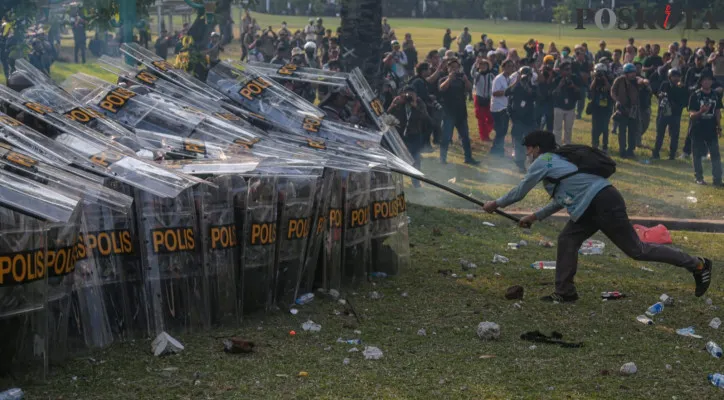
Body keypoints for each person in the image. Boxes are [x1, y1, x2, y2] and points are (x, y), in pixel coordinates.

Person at [482, 130, 713, 303]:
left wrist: (496, 203)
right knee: (567, 240)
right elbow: (564, 198)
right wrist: (535, 216)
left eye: (529, 148)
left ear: (538, 148)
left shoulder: (545, 161)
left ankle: (698, 265)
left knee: (637, 250)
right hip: (589, 206)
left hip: (603, 202)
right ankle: (565, 293)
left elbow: (521, 190)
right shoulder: (557, 162)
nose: (528, 153)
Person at [438, 57, 479, 165]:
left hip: (461, 113)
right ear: (448, 69)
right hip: (448, 113)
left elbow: (470, 88)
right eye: (452, 67)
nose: (454, 69)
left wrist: (465, 80)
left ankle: (468, 158)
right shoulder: (443, 79)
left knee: (465, 137)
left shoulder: (462, 79)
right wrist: (449, 79)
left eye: (456, 67)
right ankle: (442, 159)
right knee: (446, 138)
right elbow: (441, 88)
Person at [388, 86, 431, 188]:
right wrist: (393, 105)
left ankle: (416, 183)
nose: (409, 97)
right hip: (400, 135)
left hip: (415, 135)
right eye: (407, 94)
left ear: (416, 95)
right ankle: (394, 183)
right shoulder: (398, 101)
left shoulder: (419, 103)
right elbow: (387, 116)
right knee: (395, 159)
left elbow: (426, 119)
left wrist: (415, 106)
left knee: (415, 159)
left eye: (412, 94)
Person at [688, 72, 723, 186]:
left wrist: (719, 126)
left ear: (712, 81)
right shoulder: (695, 95)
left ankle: (717, 179)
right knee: (697, 154)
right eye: (704, 80)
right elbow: (691, 115)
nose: (707, 82)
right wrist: (701, 112)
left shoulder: (715, 95)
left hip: (711, 128)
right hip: (698, 128)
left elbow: (717, 111)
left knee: (715, 154)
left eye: (709, 80)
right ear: (701, 82)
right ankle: (698, 178)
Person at [505, 66, 537, 173]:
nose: (525, 77)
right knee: (518, 142)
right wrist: (517, 82)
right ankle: (520, 165)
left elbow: (536, 96)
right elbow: (506, 92)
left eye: (527, 75)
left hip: (529, 120)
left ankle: (532, 163)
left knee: (531, 142)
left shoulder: (533, 86)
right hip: (517, 119)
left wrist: (528, 87)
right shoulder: (516, 86)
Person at [653, 69, 688, 160]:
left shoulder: (682, 87)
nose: (676, 78)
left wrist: (676, 105)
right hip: (664, 113)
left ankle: (672, 155)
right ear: (669, 77)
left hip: (676, 114)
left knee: (674, 135)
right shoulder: (665, 84)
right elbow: (659, 95)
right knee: (660, 134)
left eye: (678, 76)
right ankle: (656, 153)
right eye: (674, 76)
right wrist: (663, 97)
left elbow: (685, 101)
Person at [611, 63, 644, 158]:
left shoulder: (637, 80)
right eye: (630, 72)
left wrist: (644, 81)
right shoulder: (619, 80)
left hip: (633, 110)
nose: (633, 74)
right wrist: (617, 101)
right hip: (622, 109)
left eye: (634, 72)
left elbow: (642, 81)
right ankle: (622, 150)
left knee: (632, 131)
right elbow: (612, 91)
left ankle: (630, 150)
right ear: (625, 73)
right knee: (622, 131)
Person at [551, 61, 580, 145]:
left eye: (570, 69)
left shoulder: (575, 78)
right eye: (566, 69)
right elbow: (553, 94)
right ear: (561, 71)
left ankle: (567, 145)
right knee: (557, 128)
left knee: (568, 129)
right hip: (559, 107)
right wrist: (559, 85)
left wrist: (573, 86)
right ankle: (557, 145)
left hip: (570, 107)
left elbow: (580, 92)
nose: (569, 71)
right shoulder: (556, 79)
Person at [490, 59, 514, 156]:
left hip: (505, 107)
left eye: (512, 66)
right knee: (500, 130)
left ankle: (498, 149)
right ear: (503, 67)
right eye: (508, 66)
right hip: (498, 108)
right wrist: (507, 91)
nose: (510, 68)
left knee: (503, 130)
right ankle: (496, 150)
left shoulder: (509, 78)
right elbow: (495, 93)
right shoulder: (498, 78)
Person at [588, 63, 613, 152]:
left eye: (601, 72)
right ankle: (594, 144)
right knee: (595, 127)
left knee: (605, 127)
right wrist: (595, 79)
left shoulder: (609, 78)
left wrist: (605, 79)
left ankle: (605, 145)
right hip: (596, 107)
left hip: (606, 108)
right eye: (598, 72)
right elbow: (591, 89)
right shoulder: (593, 79)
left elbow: (610, 89)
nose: (599, 74)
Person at [472, 57, 494, 142]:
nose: (483, 66)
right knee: (481, 118)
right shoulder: (477, 75)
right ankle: (484, 136)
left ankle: (486, 132)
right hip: (479, 98)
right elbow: (472, 72)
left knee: (491, 118)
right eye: (481, 64)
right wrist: (475, 63)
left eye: (485, 64)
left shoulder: (491, 75)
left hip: (489, 99)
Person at [536, 57, 556, 131]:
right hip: (540, 100)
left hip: (550, 101)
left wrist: (552, 74)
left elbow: (552, 84)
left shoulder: (554, 73)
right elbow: (542, 81)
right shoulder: (541, 72)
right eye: (548, 62)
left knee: (550, 122)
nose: (550, 65)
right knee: (538, 121)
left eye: (552, 63)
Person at [572, 50, 591, 119]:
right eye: (581, 55)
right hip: (575, 84)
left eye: (583, 55)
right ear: (577, 56)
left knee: (582, 100)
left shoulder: (586, 64)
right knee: (573, 100)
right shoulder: (573, 63)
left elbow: (588, 73)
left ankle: (579, 113)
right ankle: (572, 112)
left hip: (583, 84)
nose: (583, 56)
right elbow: (572, 73)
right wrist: (580, 74)